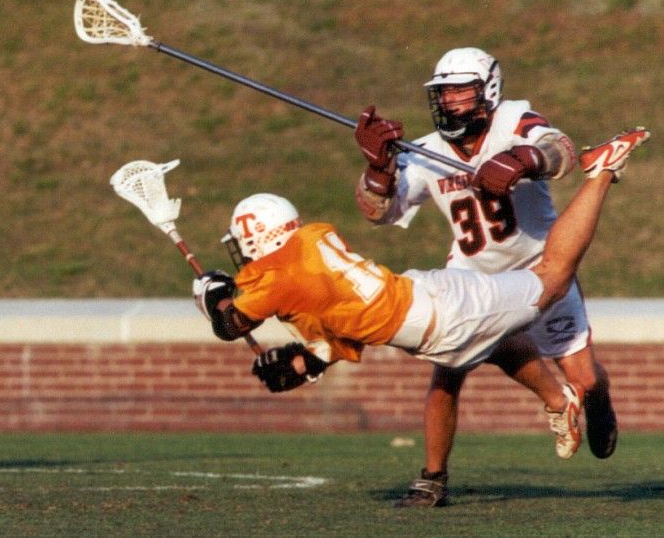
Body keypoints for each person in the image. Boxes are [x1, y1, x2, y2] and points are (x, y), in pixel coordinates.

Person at [192, 129, 646, 503]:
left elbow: (230, 325)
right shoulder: (308, 248)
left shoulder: (280, 275)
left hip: (444, 319)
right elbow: (337, 327)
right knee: (494, 343)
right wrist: (304, 362)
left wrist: (213, 295)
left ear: (257, 238)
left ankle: (602, 171)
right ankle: (557, 400)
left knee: (553, 278)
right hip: (430, 301)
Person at [351, 46, 645, 507]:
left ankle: (596, 398)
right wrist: (377, 171)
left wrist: (524, 160)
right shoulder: (426, 151)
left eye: (460, 92)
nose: (450, 102)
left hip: (543, 268)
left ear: (487, 91)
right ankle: (432, 477)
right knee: (447, 372)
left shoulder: (513, 119)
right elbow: (378, 212)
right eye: (444, 94)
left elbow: (561, 150)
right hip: (474, 277)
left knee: (586, 379)